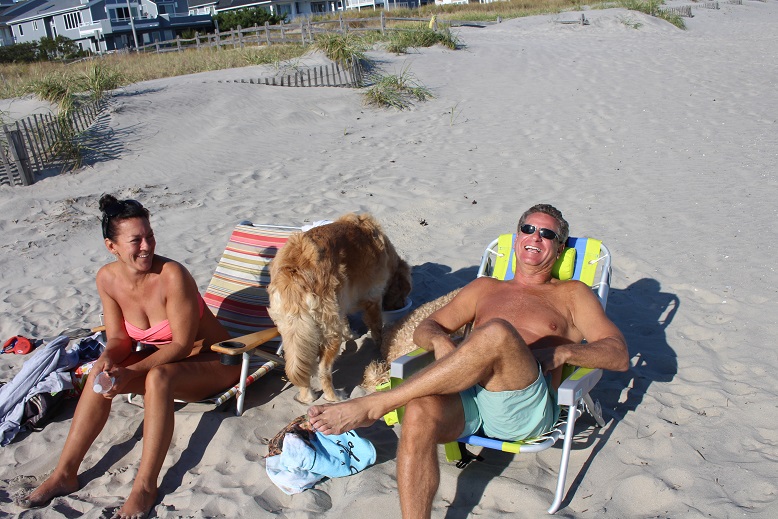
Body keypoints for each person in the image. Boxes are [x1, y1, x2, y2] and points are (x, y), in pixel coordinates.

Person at [308, 203, 629, 519]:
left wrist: (564, 352)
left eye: (547, 234)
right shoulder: (484, 287)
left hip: (523, 405)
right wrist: (440, 341)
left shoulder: (573, 294)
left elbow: (618, 353)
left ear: (558, 250)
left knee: (496, 333)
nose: (536, 237)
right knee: (419, 412)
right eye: (528, 229)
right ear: (517, 238)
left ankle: (377, 404)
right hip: (468, 397)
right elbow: (427, 327)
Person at [19, 195, 242, 518]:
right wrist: (110, 359)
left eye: (149, 236)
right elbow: (120, 339)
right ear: (112, 247)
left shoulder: (171, 275)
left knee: (158, 376)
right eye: (135, 240)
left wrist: (131, 370)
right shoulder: (107, 279)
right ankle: (64, 474)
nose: (146, 246)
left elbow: (180, 345)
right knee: (100, 372)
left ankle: (145, 487)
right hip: (166, 364)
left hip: (215, 362)